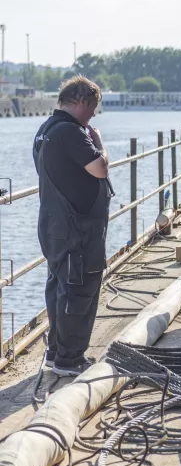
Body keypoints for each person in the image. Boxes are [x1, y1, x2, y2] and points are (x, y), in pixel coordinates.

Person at [32, 75, 111, 376]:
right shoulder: (71, 132)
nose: (93, 115)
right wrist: (100, 144)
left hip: (55, 226)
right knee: (79, 289)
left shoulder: (45, 130)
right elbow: (99, 168)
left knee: (60, 287)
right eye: (92, 108)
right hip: (78, 230)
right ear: (81, 101)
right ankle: (70, 359)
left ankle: (56, 353)